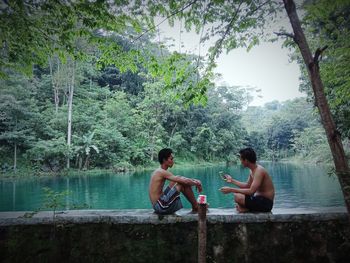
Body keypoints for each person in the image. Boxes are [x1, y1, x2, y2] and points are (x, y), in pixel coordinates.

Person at [219, 147, 275, 213]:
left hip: (266, 204)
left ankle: (246, 209)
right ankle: (245, 209)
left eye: (241, 159)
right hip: (259, 200)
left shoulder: (259, 171)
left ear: (246, 160)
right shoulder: (252, 170)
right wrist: (232, 180)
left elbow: (251, 191)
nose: (241, 161)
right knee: (237, 195)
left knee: (238, 196)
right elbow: (247, 186)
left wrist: (231, 190)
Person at [149, 148, 203, 215]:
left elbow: (179, 178)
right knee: (181, 183)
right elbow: (183, 181)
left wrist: (195, 181)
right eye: (171, 159)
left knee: (177, 180)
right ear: (164, 160)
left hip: (158, 205)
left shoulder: (160, 171)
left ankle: (195, 206)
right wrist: (197, 183)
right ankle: (196, 206)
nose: (173, 161)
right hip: (160, 206)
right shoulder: (161, 172)